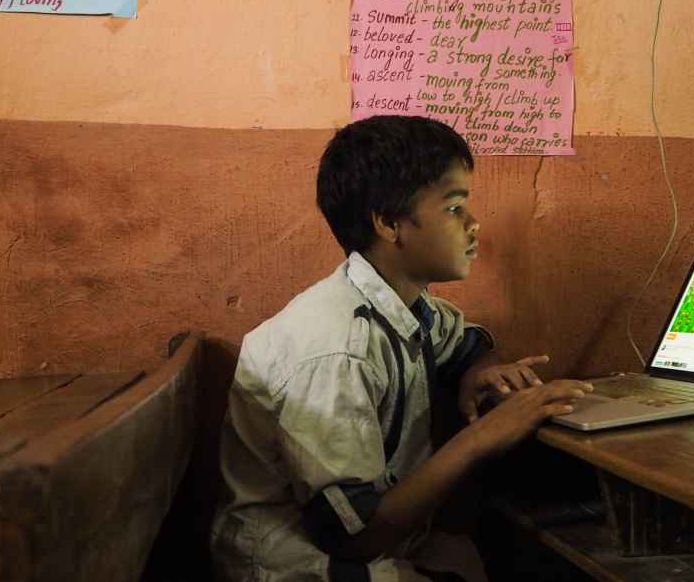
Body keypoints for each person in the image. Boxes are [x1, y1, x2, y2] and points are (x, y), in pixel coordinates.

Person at [211, 115, 592, 582]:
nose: (474, 225)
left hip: (380, 539)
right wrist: (482, 437)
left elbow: (470, 343)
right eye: (455, 208)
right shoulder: (335, 351)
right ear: (390, 223)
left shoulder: (402, 303)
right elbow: (352, 534)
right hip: (299, 561)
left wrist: (480, 372)